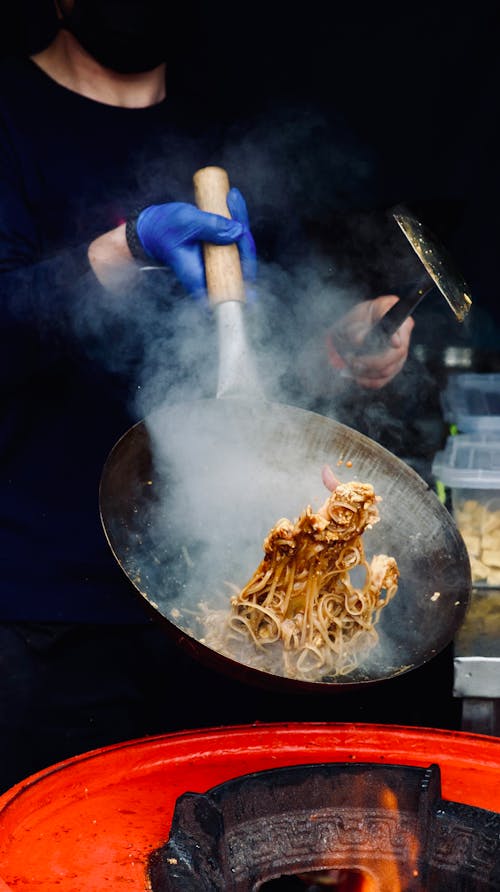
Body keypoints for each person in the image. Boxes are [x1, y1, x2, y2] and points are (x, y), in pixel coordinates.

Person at [0, 0, 418, 793]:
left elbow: (272, 354)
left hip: (224, 616)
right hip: (46, 614)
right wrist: (123, 249)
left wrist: (340, 343)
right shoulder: (11, 116)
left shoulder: (222, 135)